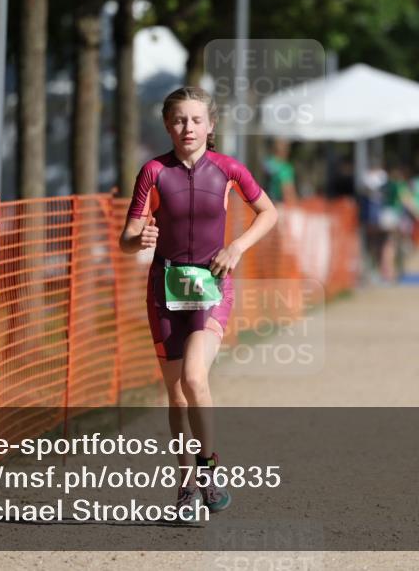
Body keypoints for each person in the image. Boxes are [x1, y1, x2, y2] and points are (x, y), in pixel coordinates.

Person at [118, 87, 277, 519]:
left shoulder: (228, 169)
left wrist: (238, 247)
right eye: (179, 120)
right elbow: (127, 239)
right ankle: (185, 484)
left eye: (195, 120)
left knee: (193, 376)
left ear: (211, 126)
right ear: (168, 125)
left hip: (212, 283)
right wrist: (140, 240)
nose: (187, 128)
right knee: (176, 395)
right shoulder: (152, 172)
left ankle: (208, 467)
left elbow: (269, 212)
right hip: (164, 289)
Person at [263, 138, 298, 204]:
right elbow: (287, 188)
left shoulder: (267, 163)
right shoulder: (285, 168)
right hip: (279, 203)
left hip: (264, 200)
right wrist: (294, 203)